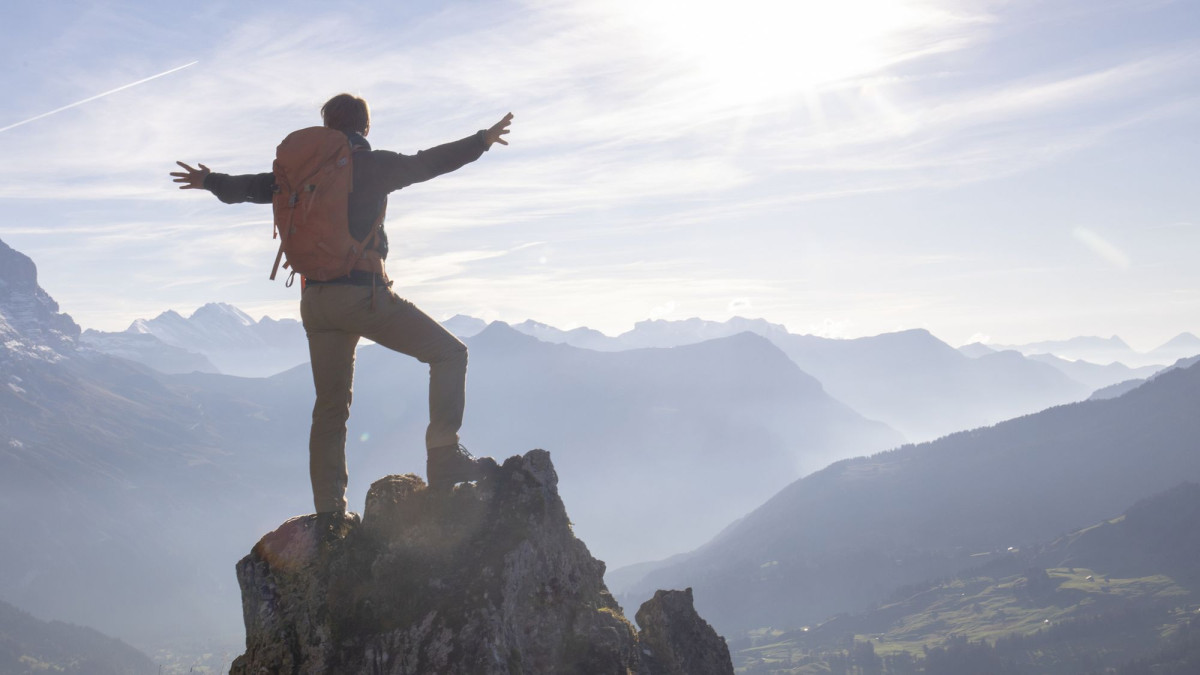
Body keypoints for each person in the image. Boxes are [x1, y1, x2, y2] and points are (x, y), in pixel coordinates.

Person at [171, 93, 512, 515]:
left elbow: (248, 188)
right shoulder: (367, 166)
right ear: (364, 128)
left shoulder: (294, 175)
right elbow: (427, 163)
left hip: (315, 302)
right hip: (362, 295)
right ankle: (444, 456)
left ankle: (329, 512)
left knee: (330, 410)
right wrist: (480, 140)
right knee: (449, 354)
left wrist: (209, 181)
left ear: (327, 127)